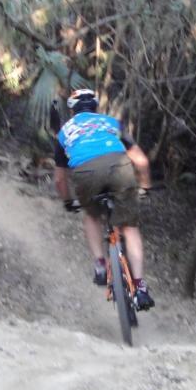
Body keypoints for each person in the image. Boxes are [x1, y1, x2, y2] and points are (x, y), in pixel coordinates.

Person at [53, 88, 155, 310]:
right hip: (119, 168)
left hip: (85, 172)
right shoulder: (111, 123)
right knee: (129, 226)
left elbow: (60, 179)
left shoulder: (65, 131)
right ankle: (139, 287)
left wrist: (68, 201)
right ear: (95, 108)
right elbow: (142, 161)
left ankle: (100, 264)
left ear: (72, 111)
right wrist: (145, 187)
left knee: (91, 214)